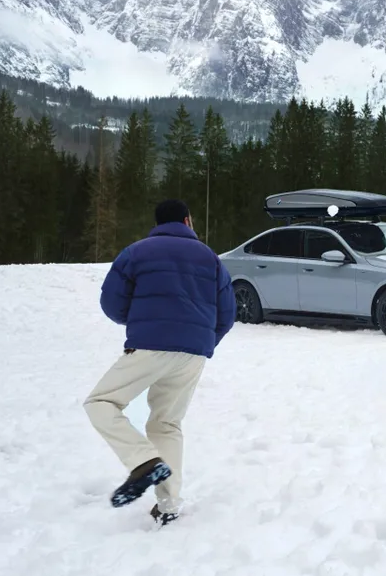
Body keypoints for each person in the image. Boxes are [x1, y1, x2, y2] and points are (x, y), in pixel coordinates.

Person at [84, 199, 235, 527]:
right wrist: (202, 341)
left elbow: (111, 302)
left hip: (151, 345)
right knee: (166, 424)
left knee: (101, 402)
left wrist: (142, 322)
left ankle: (143, 462)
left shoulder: (136, 252)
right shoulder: (210, 258)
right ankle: (169, 504)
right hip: (193, 353)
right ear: (187, 220)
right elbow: (227, 313)